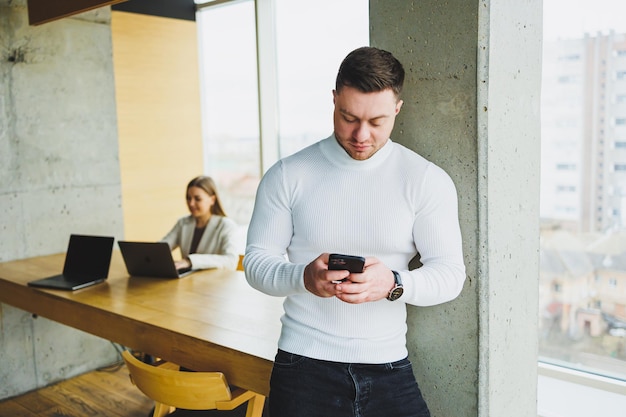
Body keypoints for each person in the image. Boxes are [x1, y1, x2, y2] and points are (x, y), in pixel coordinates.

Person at [243, 46, 466, 417]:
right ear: (333, 101)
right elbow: (256, 263)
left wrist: (393, 283)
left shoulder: (425, 180)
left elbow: (450, 275)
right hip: (302, 367)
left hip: (389, 367)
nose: (361, 134)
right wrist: (303, 277)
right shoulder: (288, 175)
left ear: (397, 108)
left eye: (376, 121)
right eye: (348, 117)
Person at [162, 175, 239, 271]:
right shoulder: (183, 223)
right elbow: (163, 247)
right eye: (188, 198)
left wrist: (190, 261)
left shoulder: (226, 226)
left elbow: (230, 261)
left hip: (214, 283)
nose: (191, 203)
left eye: (197, 199)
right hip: (189, 282)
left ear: (212, 200)